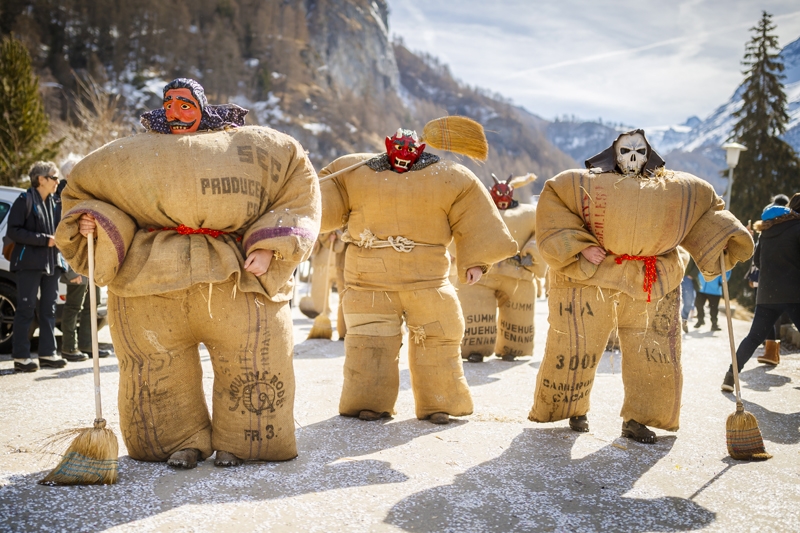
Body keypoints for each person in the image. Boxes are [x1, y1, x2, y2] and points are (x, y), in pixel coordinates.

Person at [55, 78, 320, 468]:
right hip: (151, 277)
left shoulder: (254, 146)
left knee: (251, 362)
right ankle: (176, 442)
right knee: (157, 370)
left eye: (185, 105)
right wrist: (94, 220)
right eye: (169, 104)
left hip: (234, 274)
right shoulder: (128, 155)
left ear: (202, 107)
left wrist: (267, 246)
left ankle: (246, 441)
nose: (176, 113)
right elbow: (84, 193)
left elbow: (300, 191)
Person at [529, 130, 753, 443]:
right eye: (625, 151)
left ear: (649, 155)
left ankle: (638, 419)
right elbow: (553, 204)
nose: (633, 158)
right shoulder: (583, 183)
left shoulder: (675, 187)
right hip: (596, 274)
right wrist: (580, 246)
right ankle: (571, 405)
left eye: (639, 151)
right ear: (613, 154)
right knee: (576, 342)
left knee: (652, 353)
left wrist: (725, 237)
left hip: (654, 279)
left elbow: (706, 209)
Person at [319, 125, 517, 425]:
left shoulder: (451, 177)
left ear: (420, 151)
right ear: (387, 146)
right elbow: (321, 200)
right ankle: (369, 402)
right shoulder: (352, 170)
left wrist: (474, 261)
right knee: (368, 342)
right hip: (369, 281)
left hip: (428, 280)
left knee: (438, 339)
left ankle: (440, 402)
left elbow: (474, 215)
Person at [453, 173, 546, 362]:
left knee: (517, 316)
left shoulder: (529, 213)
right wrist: (468, 259)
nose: (503, 200)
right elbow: (458, 232)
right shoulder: (475, 212)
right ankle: (474, 349)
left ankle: (513, 348)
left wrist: (532, 254)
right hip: (481, 275)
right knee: (476, 311)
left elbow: (542, 233)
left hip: (517, 273)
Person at [721, 193, 800, 391]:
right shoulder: (797, 229)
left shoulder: (766, 232)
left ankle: (730, 377)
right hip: (794, 294)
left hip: (767, 294)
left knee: (754, 337)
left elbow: (757, 262)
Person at [9, 162, 69, 372]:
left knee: (49, 310)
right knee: (25, 310)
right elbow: (14, 231)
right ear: (41, 179)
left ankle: (47, 354)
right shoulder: (24, 200)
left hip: (52, 263)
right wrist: (45, 240)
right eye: (54, 177)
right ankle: (21, 357)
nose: (57, 181)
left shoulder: (55, 202)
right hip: (29, 264)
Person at [56, 154, 111, 361]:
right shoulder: (62, 197)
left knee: (92, 303)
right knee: (73, 306)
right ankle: (69, 348)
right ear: (70, 174)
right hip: (76, 262)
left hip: (91, 260)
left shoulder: (83, 194)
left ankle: (89, 345)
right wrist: (72, 269)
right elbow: (62, 235)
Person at [680, 255, 697, 334]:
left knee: (688, 302)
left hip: (687, 278)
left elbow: (699, 262)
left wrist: (692, 275)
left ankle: (683, 319)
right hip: (675, 275)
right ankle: (673, 322)